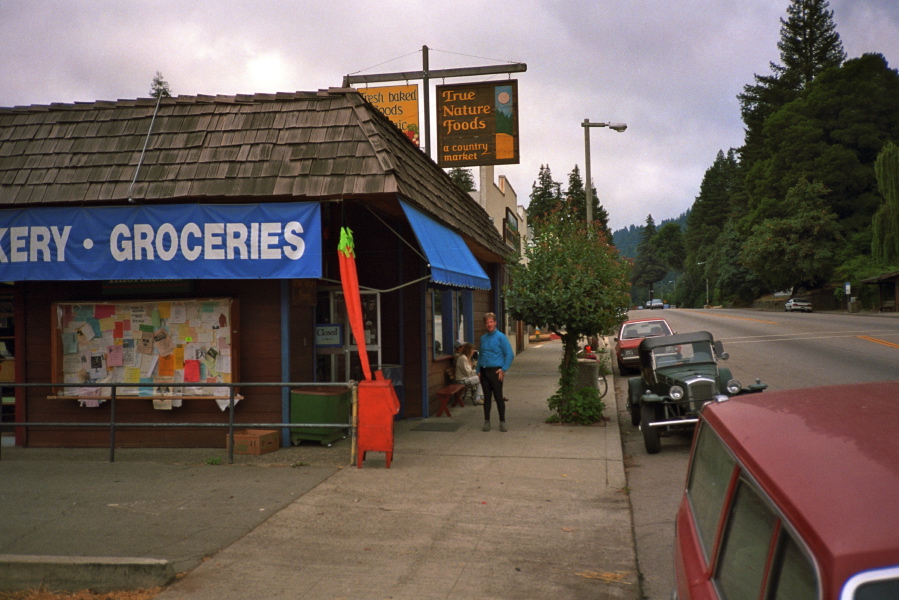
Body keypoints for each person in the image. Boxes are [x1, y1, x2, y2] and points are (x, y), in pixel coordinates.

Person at [478, 312, 514, 432]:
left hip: (496, 371)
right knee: (486, 398)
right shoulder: (483, 338)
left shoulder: (501, 337)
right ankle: (486, 421)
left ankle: (502, 421)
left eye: (491, 322)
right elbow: (481, 355)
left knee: (498, 397)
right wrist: (478, 369)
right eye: (487, 322)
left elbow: (509, 354)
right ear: (485, 324)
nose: (489, 324)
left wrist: (503, 369)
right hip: (484, 371)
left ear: (495, 322)